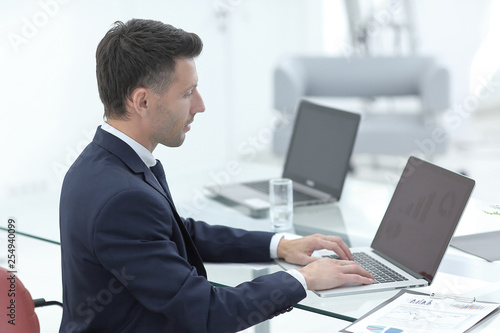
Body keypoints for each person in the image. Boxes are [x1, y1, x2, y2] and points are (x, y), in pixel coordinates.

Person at [59, 18, 373, 333]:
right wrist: (303, 279)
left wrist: (279, 245)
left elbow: (179, 234)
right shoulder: (122, 198)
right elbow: (207, 313)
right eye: (188, 93)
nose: (200, 105)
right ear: (142, 101)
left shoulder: (101, 163)